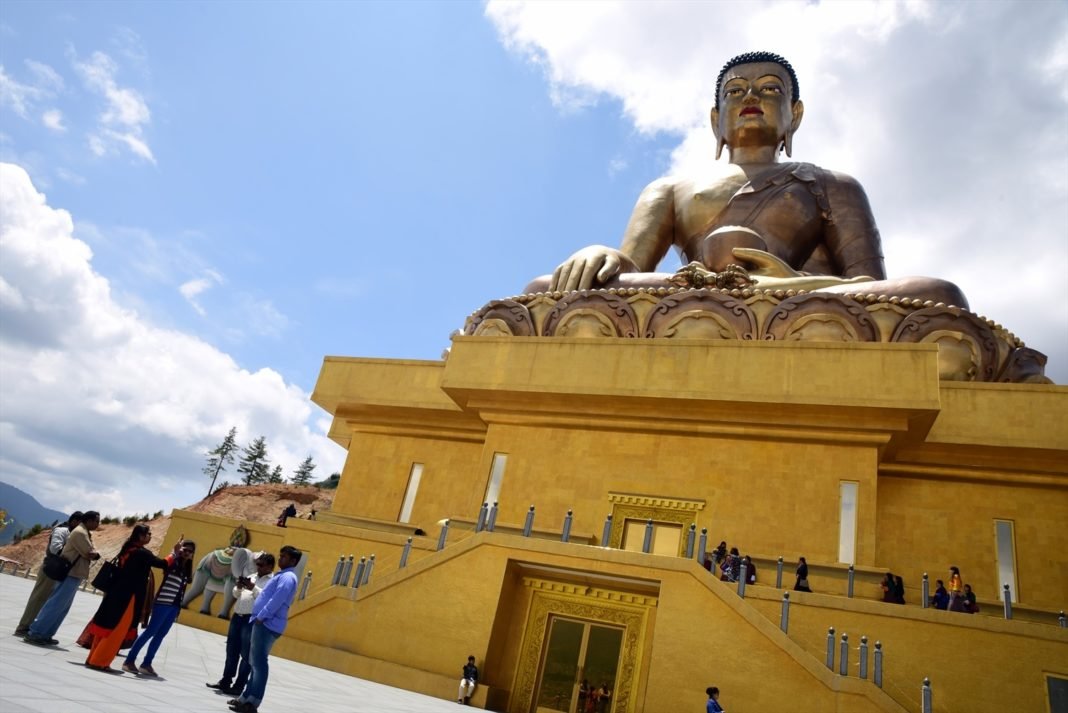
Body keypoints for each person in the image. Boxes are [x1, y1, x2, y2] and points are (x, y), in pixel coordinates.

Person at [535, 51, 965, 310]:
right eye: (736, 91)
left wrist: (786, 282)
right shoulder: (668, 189)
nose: (752, 98)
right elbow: (628, 274)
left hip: (799, 302)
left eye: (770, 90)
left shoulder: (832, 184)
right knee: (545, 291)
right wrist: (599, 253)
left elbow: (872, 289)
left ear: (794, 114)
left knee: (937, 294)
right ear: (715, 118)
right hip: (693, 298)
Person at [83, 523, 175, 672]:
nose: (150, 536)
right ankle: (100, 661)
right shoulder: (142, 553)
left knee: (105, 627)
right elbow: (162, 564)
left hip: (115, 592)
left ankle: (93, 658)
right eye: (148, 534)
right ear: (140, 536)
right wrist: (174, 553)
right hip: (128, 597)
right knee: (117, 629)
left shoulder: (128, 548)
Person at [228, 545, 301, 713]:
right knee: (255, 663)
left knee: (259, 664)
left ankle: (253, 702)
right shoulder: (282, 576)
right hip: (263, 622)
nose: (280, 559)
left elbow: (277, 599)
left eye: (284, 557)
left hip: (267, 623)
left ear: (293, 561)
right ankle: (245, 698)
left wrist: (262, 616)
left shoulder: (288, 578)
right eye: (280, 555)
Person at [121, 538, 197, 675]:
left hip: (173, 606)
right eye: (185, 550)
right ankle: (129, 660)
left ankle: (147, 663)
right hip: (163, 603)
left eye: (190, 551)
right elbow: (166, 564)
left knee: (160, 635)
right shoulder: (173, 562)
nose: (187, 553)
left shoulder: (186, 569)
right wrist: (174, 552)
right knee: (150, 632)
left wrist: (178, 608)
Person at [25, 511, 101, 645]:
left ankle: (46, 634)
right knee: (55, 605)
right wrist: (94, 553)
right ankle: (36, 633)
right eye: (96, 521)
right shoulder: (80, 533)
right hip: (70, 573)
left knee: (62, 607)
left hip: (75, 573)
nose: (97, 524)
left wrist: (94, 552)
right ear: (88, 521)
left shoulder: (86, 533)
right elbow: (90, 552)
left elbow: (93, 549)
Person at [207, 552, 276, 695]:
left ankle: (239, 686)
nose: (258, 567)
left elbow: (265, 598)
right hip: (237, 617)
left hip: (251, 620)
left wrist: (253, 588)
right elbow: (236, 594)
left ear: (270, 566)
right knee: (231, 650)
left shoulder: (272, 581)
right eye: (257, 564)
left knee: (246, 654)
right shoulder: (252, 577)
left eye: (261, 565)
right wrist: (238, 587)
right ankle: (225, 681)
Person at [15, 511, 82, 637]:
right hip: (52, 568)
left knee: (50, 602)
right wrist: (72, 552)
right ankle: (23, 627)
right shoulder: (61, 531)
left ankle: (36, 628)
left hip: (62, 571)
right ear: (74, 521)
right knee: (38, 599)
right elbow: (55, 548)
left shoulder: (74, 534)